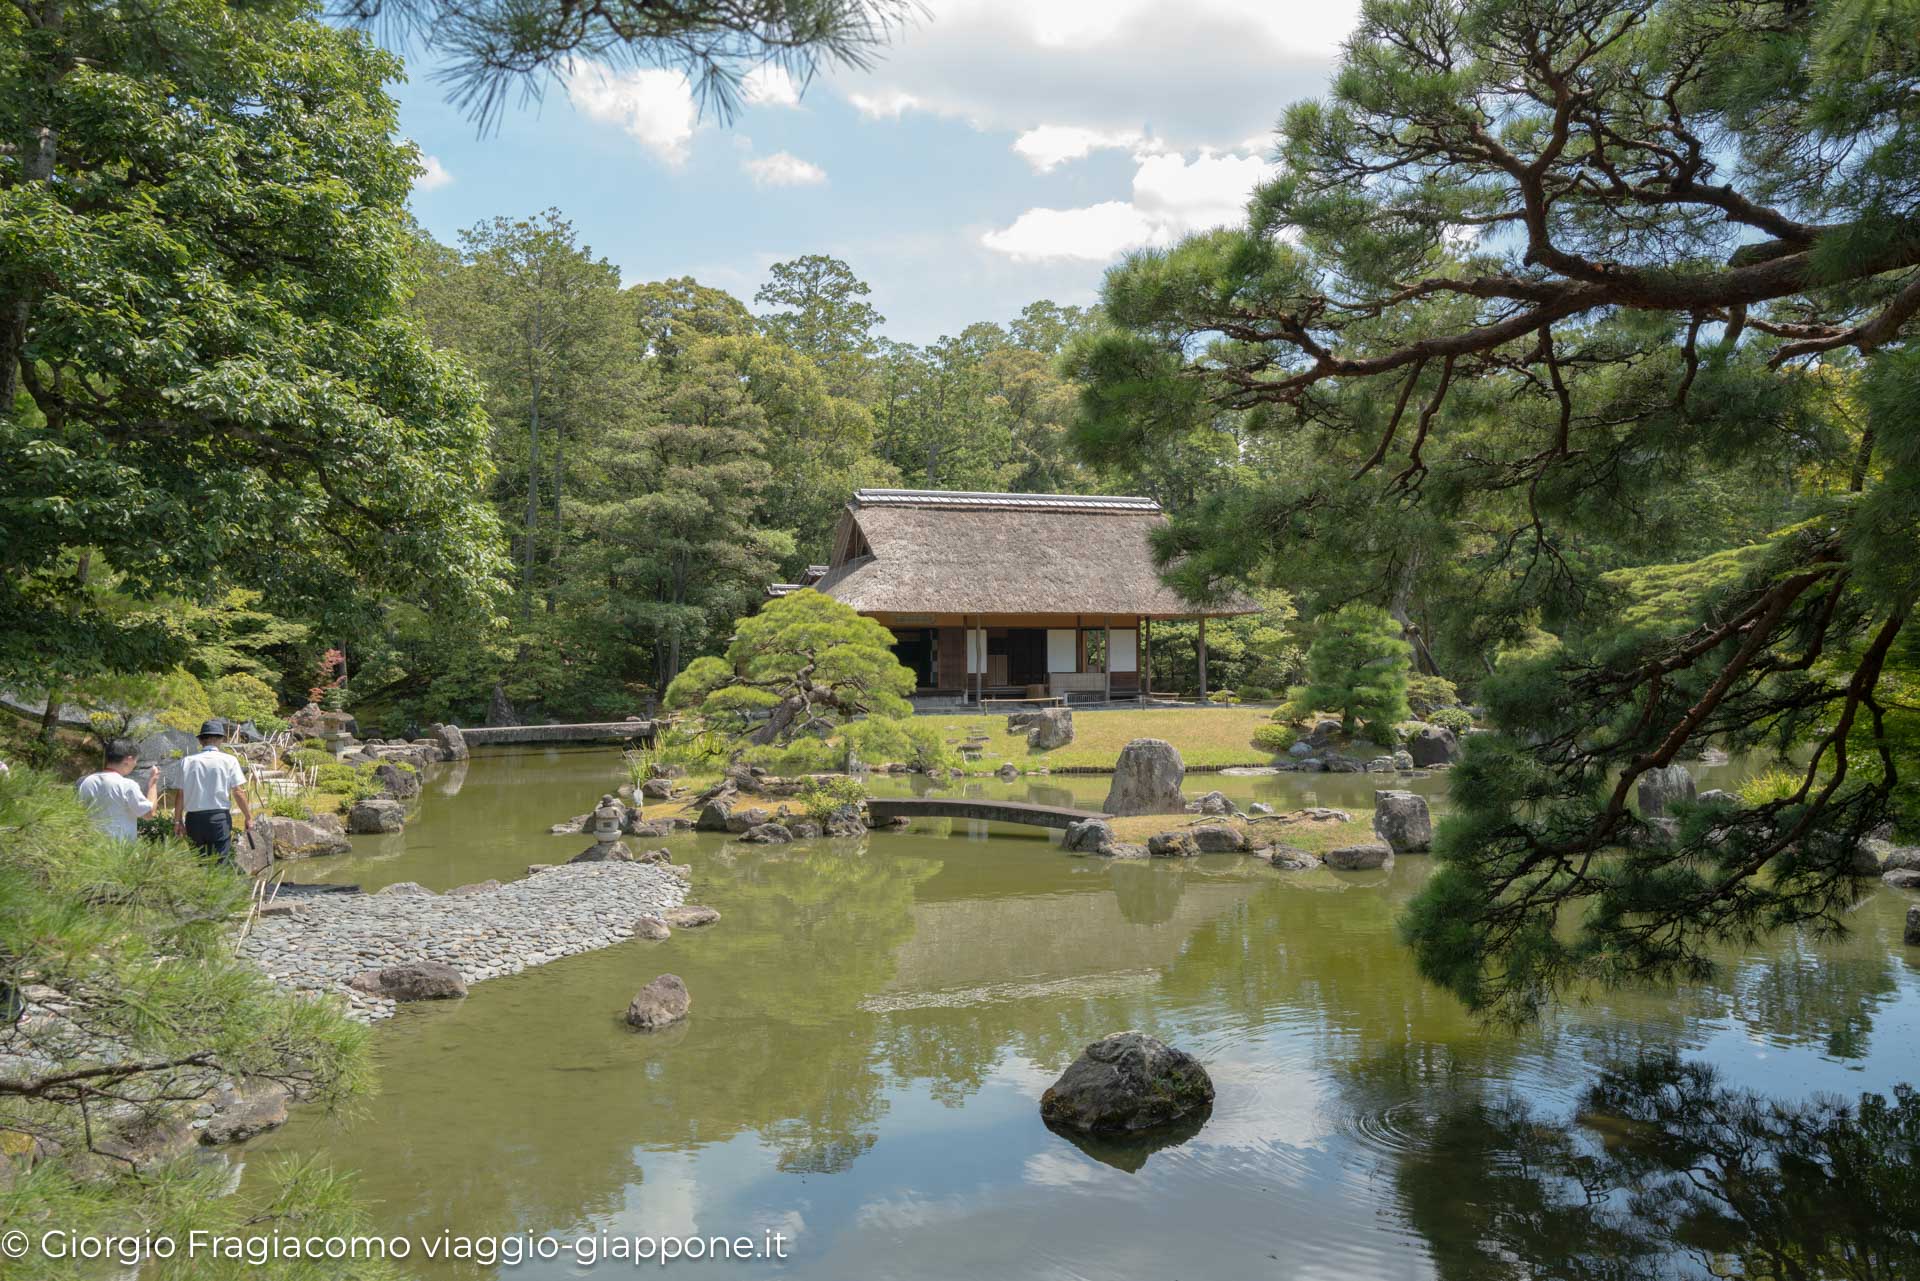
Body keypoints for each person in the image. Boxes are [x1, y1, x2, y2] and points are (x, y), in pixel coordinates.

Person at [170, 719, 252, 862]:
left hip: (193, 819)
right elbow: (238, 791)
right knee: (221, 861)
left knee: (201, 861)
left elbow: (180, 794)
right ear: (221, 739)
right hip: (218, 818)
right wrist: (248, 817)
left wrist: (177, 821)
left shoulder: (187, 761)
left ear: (201, 741)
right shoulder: (229, 760)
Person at [76, 738, 160, 840]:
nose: (135, 764)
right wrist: (153, 783)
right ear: (128, 760)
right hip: (120, 851)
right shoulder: (127, 785)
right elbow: (149, 814)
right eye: (135, 760)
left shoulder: (85, 782)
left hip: (91, 848)